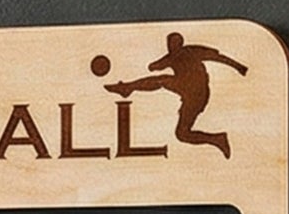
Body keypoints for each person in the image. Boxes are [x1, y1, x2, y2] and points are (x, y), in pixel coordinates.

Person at [105, 32, 248, 158]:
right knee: (182, 133)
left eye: (174, 43)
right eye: (169, 44)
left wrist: (238, 66)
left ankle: (128, 88)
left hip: (197, 93)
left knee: (164, 84)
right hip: (186, 89)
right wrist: (156, 64)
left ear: (180, 43)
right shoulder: (171, 57)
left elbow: (217, 57)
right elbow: (154, 66)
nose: (171, 47)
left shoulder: (192, 51)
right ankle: (217, 139)